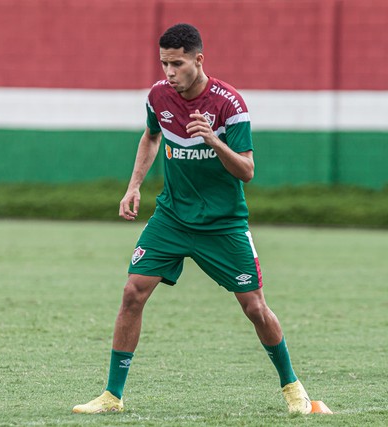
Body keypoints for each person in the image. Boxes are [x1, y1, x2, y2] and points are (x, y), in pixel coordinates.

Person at [73, 23, 328, 415]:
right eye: (164, 64)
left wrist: (213, 139)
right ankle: (112, 396)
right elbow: (151, 136)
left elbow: (246, 170)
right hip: (172, 217)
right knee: (132, 292)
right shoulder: (159, 95)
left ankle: (292, 387)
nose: (169, 73)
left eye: (177, 64)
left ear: (198, 60)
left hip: (223, 223)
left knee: (255, 307)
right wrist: (134, 186)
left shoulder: (230, 105)